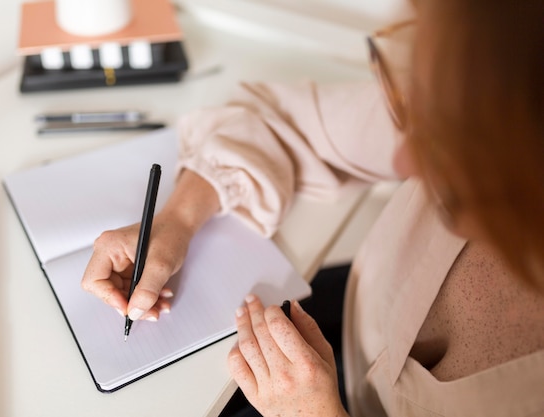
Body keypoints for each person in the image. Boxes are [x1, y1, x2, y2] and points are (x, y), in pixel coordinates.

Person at [81, 0, 544, 415]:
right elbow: (276, 118)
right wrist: (178, 218)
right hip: (352, 333)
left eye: (465, 146)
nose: (405, 164)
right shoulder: (489, 79)